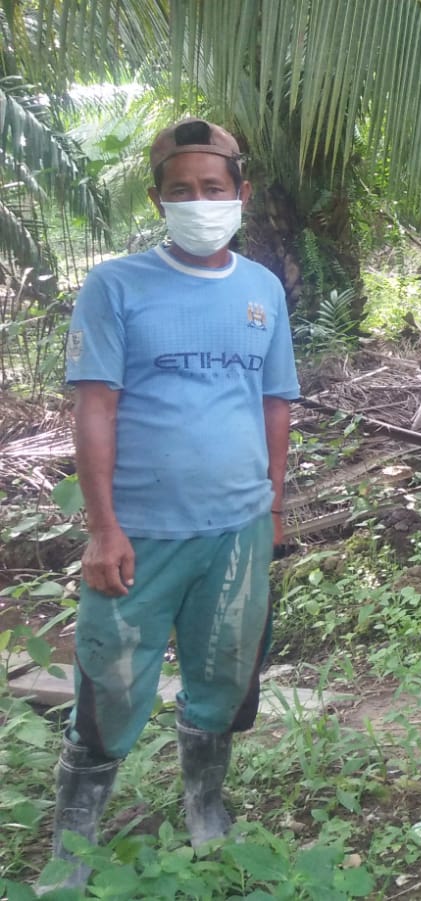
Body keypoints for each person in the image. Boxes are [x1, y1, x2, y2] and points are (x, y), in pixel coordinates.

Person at [42, 118, 298, 888]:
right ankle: (71, 845)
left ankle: (205, 804)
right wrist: (102, 529)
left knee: (224, 676)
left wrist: (274, 510)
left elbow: (274, 402)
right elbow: (95, 408)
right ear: (158, 199)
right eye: (181, 190)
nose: (198, 202)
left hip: (238, 528)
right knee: (109, 683)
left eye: (212, 189)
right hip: (140, 534)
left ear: (241, 194)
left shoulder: (262, 289)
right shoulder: (116, 286)